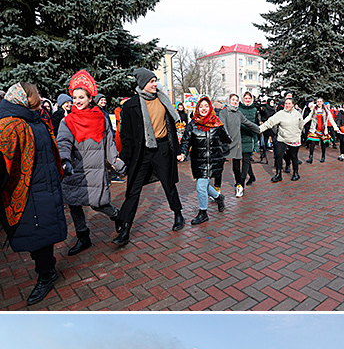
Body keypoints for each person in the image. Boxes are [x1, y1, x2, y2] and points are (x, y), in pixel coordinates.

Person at [0, 75, 67, 305]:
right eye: (35, 98)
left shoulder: (33, 119)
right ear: (23, 100)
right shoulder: (10, 125)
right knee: (37, 235)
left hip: (44, 189)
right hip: (28, 193)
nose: (40, 102)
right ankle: (47, 273)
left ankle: (46, 273)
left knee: (41, 235)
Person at [56, 67, 123, 250]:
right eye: (75, 98)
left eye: (81, 97)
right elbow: (63, 143)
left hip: (95, 170)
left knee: (98, 204)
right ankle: (83, 237)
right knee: (74, 204)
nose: (77, 101)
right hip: (74, 170)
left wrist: (115, 161)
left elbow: (109, 142)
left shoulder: (101, 118)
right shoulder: (67, 121)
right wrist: (65, 161)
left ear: (90, 98)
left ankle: (117, 215)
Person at [115, 70, 184, 243]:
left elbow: (171, 130)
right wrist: (125, 158)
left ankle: (178, 214)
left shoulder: (163, 100)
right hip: (142, 152)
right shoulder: (130, 105)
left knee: (168, 185)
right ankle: (125, 228)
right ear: (143, 83)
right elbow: (126, 135)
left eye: (156, 81)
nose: (155, 84)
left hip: (162, 149)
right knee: (133, 190)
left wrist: (177, 150)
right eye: (151, 81)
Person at [188, 94, 229, 226]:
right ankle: (219, 197)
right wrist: (182, 153)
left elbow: (226, 139)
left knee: (200, 186)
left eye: (206, 106)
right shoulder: (193, 124)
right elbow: (185, 141)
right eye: (201, 106)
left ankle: (203, 213)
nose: (204, 109)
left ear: (210, 107)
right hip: (198, 160)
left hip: (212, 160)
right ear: (197, 108)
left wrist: (221, 151)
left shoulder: (216, 123)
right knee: (204, 185)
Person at [264, 91, 304, 179]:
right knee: (278, 155)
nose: (287, 105)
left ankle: (296, 173)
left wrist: (298, 134)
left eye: (289, 103)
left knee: (294, 156)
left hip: (294, 138)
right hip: (282, 138)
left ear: (293, 104)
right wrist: (259, 129)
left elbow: (301, 126)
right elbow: (269, 122)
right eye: (286, 103)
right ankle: (278, 174)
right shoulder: (280, 113)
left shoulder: (297, 114)